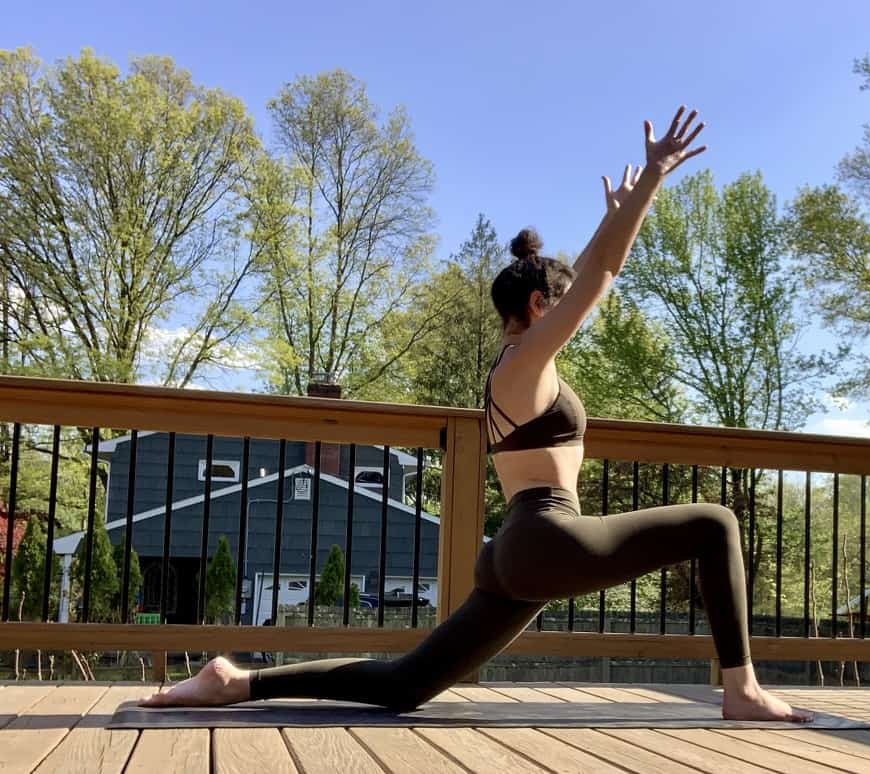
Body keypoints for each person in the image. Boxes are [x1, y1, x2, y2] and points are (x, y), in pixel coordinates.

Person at [139, 106, 812, 722]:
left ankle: (235, 682)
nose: (578, 311)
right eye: (563, 303)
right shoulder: (525, 365)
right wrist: (650, 182)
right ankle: (741, 688)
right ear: (541, 309)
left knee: (405, 684)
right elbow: (604, 273)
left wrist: (621, 210)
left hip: (515, 552)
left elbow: (596, 269)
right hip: (547, 537)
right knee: (715, 522)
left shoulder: (515, 370)